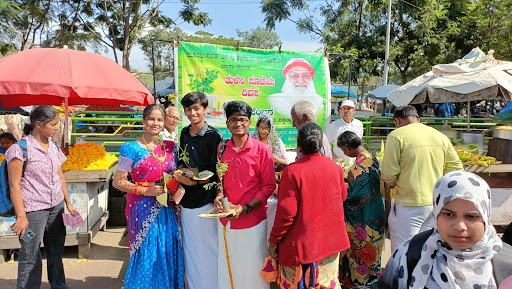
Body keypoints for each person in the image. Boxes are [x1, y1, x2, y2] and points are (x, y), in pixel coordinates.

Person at [378, 171, 512, 288]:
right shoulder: (408, 255)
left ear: (485, 217)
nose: (460, 226)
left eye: (471, 216)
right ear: (436, 215)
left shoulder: (506, 263)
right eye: (448, 214)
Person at [266, 122, 349, 289]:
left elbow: (286, 214)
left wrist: (273, 241)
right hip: (330, 244)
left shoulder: (292, 172)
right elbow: (342, 196)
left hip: (303, 248)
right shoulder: (335, 168)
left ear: (298, 145)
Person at [112, 104, 183, 289]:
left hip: (166, 208)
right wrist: (145, 191)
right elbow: (118, 181)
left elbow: (175, 174)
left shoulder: (170, 148)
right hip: (141, 208)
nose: (155, 123)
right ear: (143, 121)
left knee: (166, 249)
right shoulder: (131, 148)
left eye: (160, 119)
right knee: (147, 251)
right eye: (151, 119)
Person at [6, 105, 76, 289]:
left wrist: (68, 203)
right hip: (32, 213)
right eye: (53, 124)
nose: (56, 128)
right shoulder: (19, 150)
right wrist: (21, 217)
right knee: (30, 255)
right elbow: (14, 185)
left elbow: (60, 176)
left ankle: (59, 286)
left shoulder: (53, 147)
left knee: (56, 253)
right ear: (39, 124)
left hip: (56, 208)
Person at [381, 105, 463, 253]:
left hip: (408, 204)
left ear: (397, 121)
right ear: (418, 118)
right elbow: (456, 169)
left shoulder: (396, 135)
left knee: (403, 252)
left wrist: (392, 183)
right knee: (426, 250)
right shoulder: (440, 136)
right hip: (435, 203)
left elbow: (388, 174)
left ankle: (403, 276)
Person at [214, 100, 276, 289]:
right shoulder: (222, 149)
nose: (238, 124)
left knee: (253, 271)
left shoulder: (262, 150)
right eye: (233, 120)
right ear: (227, 124)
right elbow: (220, 181)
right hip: (227, 221)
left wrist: (246, 207)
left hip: (253, 220)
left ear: (249, 123)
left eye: (242, 120)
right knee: (229, 267)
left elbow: (269, 186)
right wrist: (218, 196)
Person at [173, 91, 222, 289]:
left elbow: (216, 170)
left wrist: (197, 181)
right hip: (186, 200)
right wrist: (182, 172)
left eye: (196, 108)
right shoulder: (184, 133)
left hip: (206, 201)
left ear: (205, 110)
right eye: (188, 109)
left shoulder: (214, 136)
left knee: (208, 248)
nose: (192, 113)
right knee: (191, 249)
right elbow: (182, 161)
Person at [336, 131, 385, 288]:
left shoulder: (361, 165)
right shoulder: (370, 157)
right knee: (373, 252)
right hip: (375, 210)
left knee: (361, 253)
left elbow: (358, 194)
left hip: (363, 217)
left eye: (343, 150)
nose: (344, 153)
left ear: (348, 148)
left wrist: (341, 192)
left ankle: (359, 284)